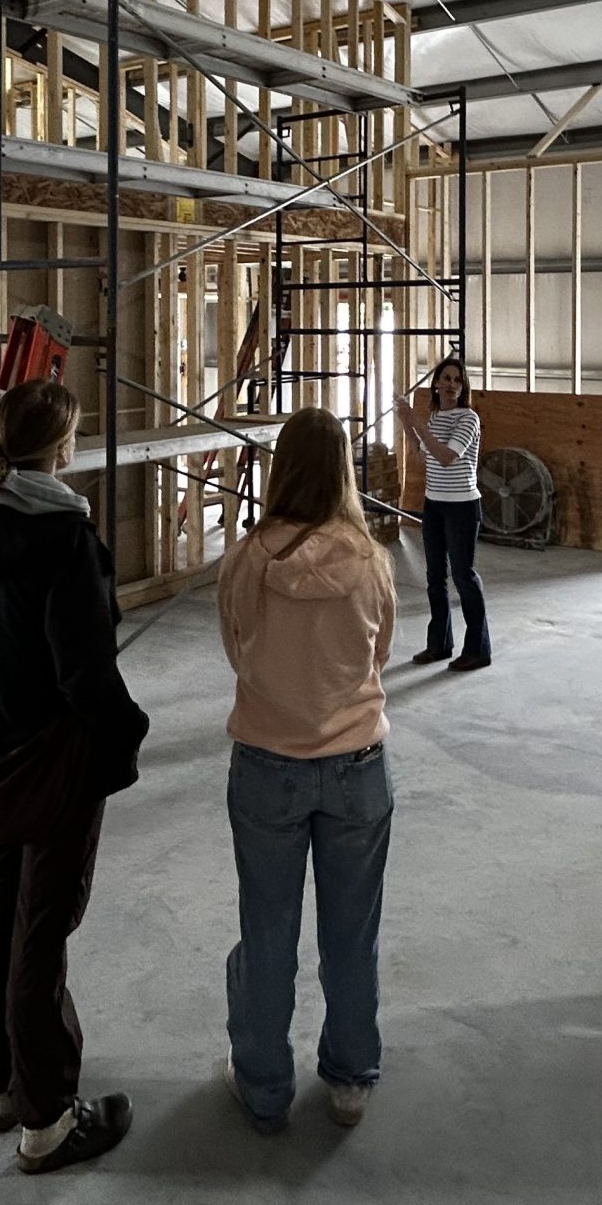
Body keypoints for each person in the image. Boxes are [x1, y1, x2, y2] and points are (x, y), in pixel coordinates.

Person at [0, 378, 151, 1175]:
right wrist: (126, 730)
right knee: (43, 923)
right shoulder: (64, 534)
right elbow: (84, 670)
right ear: (62, 444)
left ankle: (3, 1081)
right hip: (54, 755)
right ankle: (49, 1116)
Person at [216, 407, 397, 1134]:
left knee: (267, 931)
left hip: (266, 762)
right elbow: (378, 658)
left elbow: (237, 653)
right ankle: (350, 1078)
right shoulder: (369, 561)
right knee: (352, 935)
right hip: (357, 763)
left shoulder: (246, 560)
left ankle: (263, 1087)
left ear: (280, 468)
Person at [395, 356, 489, 669]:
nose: (451, 385)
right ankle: (439, 645)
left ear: (463, 387)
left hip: (462, 506)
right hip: (434, 504)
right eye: (446, 379)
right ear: (436, 384)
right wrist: (406, 424)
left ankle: (477, 650)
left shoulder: (468, 419)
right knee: (435, 578)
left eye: (457, 380)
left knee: (463, 576)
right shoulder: (435, 419)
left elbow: (447, 456)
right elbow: (424, 457)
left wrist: (415, 420)